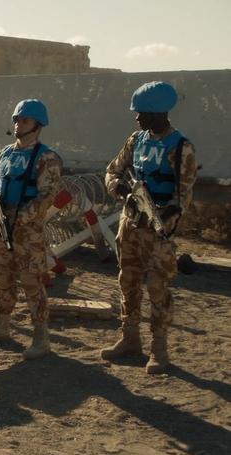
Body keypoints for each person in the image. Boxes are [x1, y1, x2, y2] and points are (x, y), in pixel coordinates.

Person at [100, 82, 197, 374]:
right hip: (129, 225)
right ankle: (130, 339)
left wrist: (164, 219)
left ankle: (159, 349)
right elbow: (112, 170)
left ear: (159, 113)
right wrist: (118, 188)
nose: (137, 118)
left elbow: (183, 195)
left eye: (142, 113)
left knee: (157, 286)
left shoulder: (181, 147)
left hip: (157, 230)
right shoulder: (136, 140)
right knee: (127, 282)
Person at [0, 99, 63, 359]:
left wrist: (23, 216)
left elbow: (47, 195)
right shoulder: (5, 154)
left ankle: (40, 336)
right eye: (16, 119)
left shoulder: (47, 158)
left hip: (28, 231)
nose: (18, 124)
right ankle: (1, 326)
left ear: (37, 124)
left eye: (24, 120)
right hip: (3, 226)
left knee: (32, 281)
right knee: (3, 278)